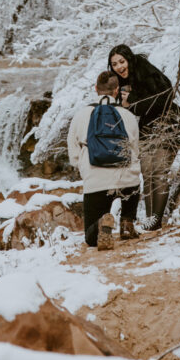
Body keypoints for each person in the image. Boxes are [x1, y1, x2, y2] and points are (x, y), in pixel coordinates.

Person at [108, 44, 180, 231]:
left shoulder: (144, 70)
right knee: (147, 172)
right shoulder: (120, 83)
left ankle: (155, 220)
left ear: (129, 60)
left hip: (167, 124)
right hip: (146, 128)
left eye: (122, 61)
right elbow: (131, 109)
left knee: (159, 171)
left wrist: (133, 101)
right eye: (114, 64)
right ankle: (150, 219)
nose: (119, 67)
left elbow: (165, 95)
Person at [67, 70, 141, 250]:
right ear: (117, 91)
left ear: (95, 89)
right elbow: (135, 151)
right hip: (127, 181)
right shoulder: (128, 116)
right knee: (133, 182)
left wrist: (85, 169)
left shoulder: (81, 115)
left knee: (91, 239)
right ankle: (127, 223)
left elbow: (73, 154)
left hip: (96, 182)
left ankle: (101, 224)